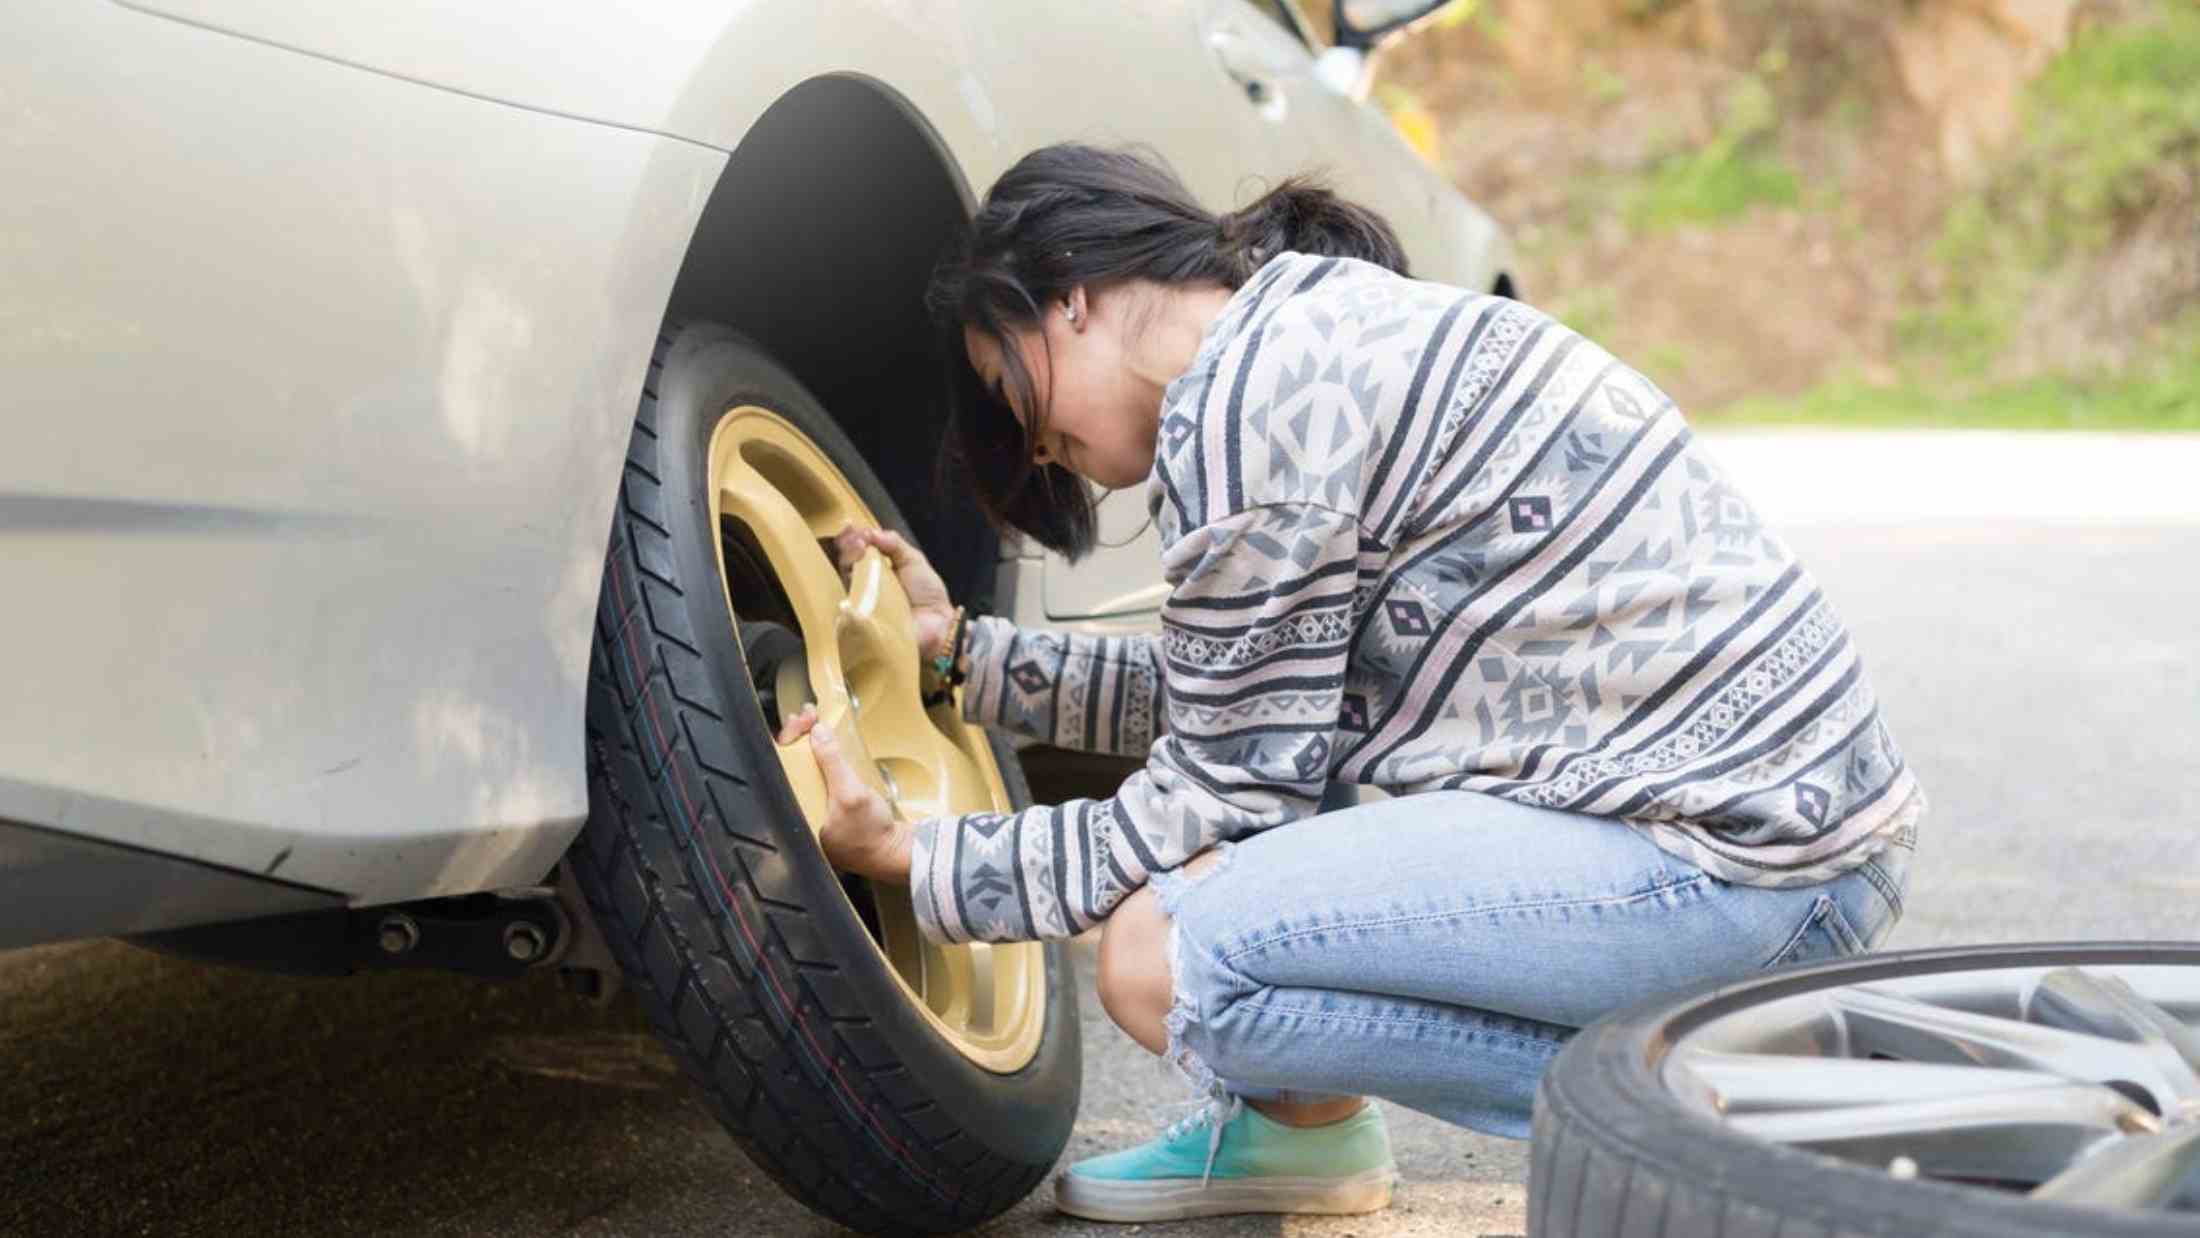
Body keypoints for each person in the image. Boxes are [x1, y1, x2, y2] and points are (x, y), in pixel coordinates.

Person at [774, 141, 1923, 1224]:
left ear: (1067, 293)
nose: (1030, 448)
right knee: (1223, 877)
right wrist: (967, 658)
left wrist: (921, 859)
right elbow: (1245, 699)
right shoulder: (1297, 332)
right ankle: (1307, 1131)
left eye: (1008, 390)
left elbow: (1217, 796)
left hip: (1734, 871)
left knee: (1166, 955)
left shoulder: (1244, 421)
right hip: (1795, 840)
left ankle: (1726, 1103)